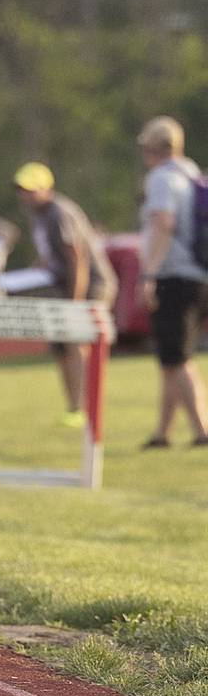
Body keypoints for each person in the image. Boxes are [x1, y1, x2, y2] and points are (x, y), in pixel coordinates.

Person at [12, 160, 118, 428]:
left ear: (46, 188)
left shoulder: (60, 212)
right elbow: (52, 256)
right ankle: (74, 408)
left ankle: (86, 407)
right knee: (61, 346)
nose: (24, 195)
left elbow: (77, 260)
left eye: (30, 189)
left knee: (75, 342)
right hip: (66, 285)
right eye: (21, 189)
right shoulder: (38, 215)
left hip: (91, 285)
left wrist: (75, 303)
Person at [134, 116, 208, 449]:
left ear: (151, 148)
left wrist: (149, 274)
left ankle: (202, 430)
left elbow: (163, 224)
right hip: (198, 276)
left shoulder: (162, 179)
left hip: (173, 275)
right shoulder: (192, 174)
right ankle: (163, 433)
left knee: (177, 358)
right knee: (169, 358)